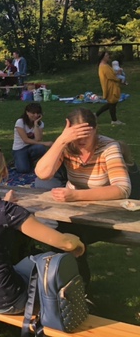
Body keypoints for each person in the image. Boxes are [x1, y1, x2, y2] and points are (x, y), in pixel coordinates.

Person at [0, 144, 84, 315]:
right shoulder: (7, 212)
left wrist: (4, 203)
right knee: (53, 260)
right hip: (7, 300)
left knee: (30, 261)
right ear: (5, 172)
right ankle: (73, 309)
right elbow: (65, 243)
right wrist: (78, 243)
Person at [35, 107, 131, 287]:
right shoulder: (68, 145)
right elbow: (42, 173)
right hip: (73, 213)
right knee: (58, 236)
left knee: (69, 238)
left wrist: (77, 195)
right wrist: (62, 140)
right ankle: (61, 286)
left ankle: (77, 288)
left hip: (107, 215)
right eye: (75, 136)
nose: (80, 141)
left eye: (85, 136)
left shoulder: (109, 147)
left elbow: (122, 189)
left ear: (95, 129)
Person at [12, 102, 52, 173]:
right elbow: (25, 140)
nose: (36, 115)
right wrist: (44, 143)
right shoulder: (20, 122)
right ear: (27, 112)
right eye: (33, 113)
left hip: (32, 147)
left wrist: (36, 124)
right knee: (23, 170)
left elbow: (38, 139)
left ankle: (29, 160)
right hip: (20, 148)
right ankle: (18, 161)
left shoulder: (40, 123)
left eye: (38, 113)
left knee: (40, 148)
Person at [95, 51, 124, 125]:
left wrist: (118, 72)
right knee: (112, 103)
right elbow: (111, 77)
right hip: (110, 86)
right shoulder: (104, 66)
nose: (108, 57)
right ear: (103, 57)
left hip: (111, 85)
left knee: (112, 103)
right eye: (107, 55)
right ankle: (114, 120)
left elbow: (112, 74)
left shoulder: (105, 65)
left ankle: (96, 115)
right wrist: (120, 79)